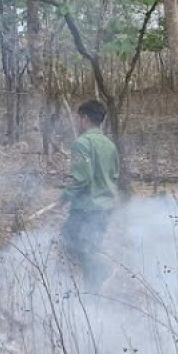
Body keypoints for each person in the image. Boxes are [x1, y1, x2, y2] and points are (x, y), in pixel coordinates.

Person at [61, 99, 120, 291]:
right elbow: (114, 176)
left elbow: (82, 179)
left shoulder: (82, 143)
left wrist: (64, 196)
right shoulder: (110, 145)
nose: (77, 122)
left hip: (86, 208)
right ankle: (92, 298)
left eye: (78, 118)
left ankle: (100, 270)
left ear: (84, 118)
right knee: (90, 248)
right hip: (105, 208)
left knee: (70, 240)